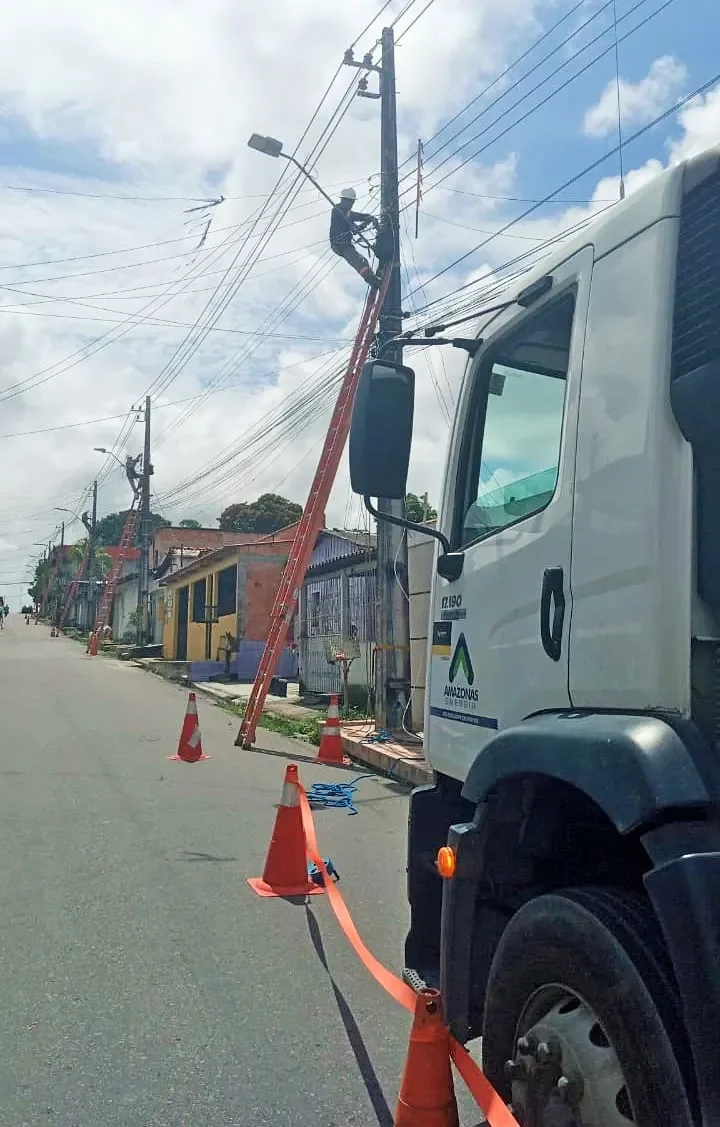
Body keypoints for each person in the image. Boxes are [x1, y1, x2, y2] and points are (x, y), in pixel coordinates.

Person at [329, 188, 381, 289]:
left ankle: (373, 277)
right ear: (344, 200)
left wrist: (367, 220)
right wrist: (367, 219)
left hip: (345, 244)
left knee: (363, 261)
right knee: (358, 262)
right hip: (340, 244)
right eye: (350, 202)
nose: (351, 204)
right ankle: (373, 281)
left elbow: (355, 223)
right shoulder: (337, 210)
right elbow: (353, 217)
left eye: (352, 202)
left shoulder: (346, 213)